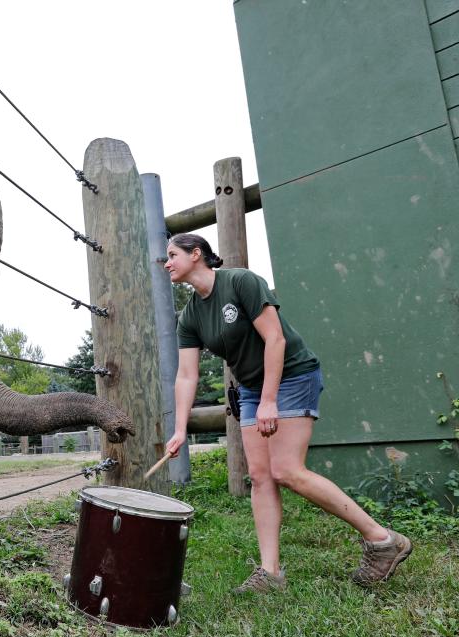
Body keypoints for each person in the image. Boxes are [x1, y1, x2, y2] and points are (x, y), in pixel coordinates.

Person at [163, 233, 412, 593]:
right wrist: (181, 429)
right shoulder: (190, 316)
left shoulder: (240, 282)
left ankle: (383, 540)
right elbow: (186, 375)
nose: (167, 262)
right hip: (250, 387)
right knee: (261, 476)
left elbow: (275, 339)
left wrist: (269, 400)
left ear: (196, 254)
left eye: (172, 255)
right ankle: (271, 573)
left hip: (292, 375)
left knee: (286, 470)